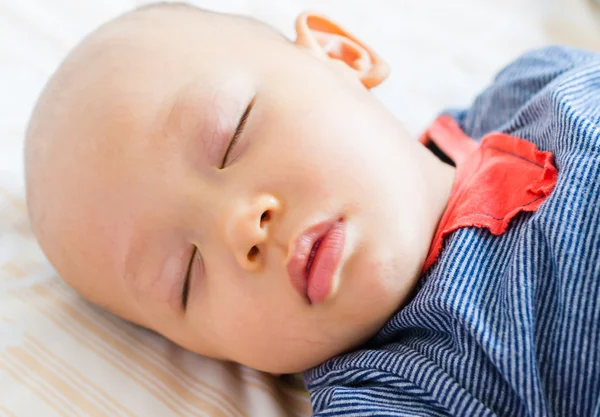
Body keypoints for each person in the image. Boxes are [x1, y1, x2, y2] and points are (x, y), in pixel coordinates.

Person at [24, 3, 600, 416]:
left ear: (342, 54)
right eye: (185, 276)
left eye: (231, 137)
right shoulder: (394, 391)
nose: (240, 228)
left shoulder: (537, 84)